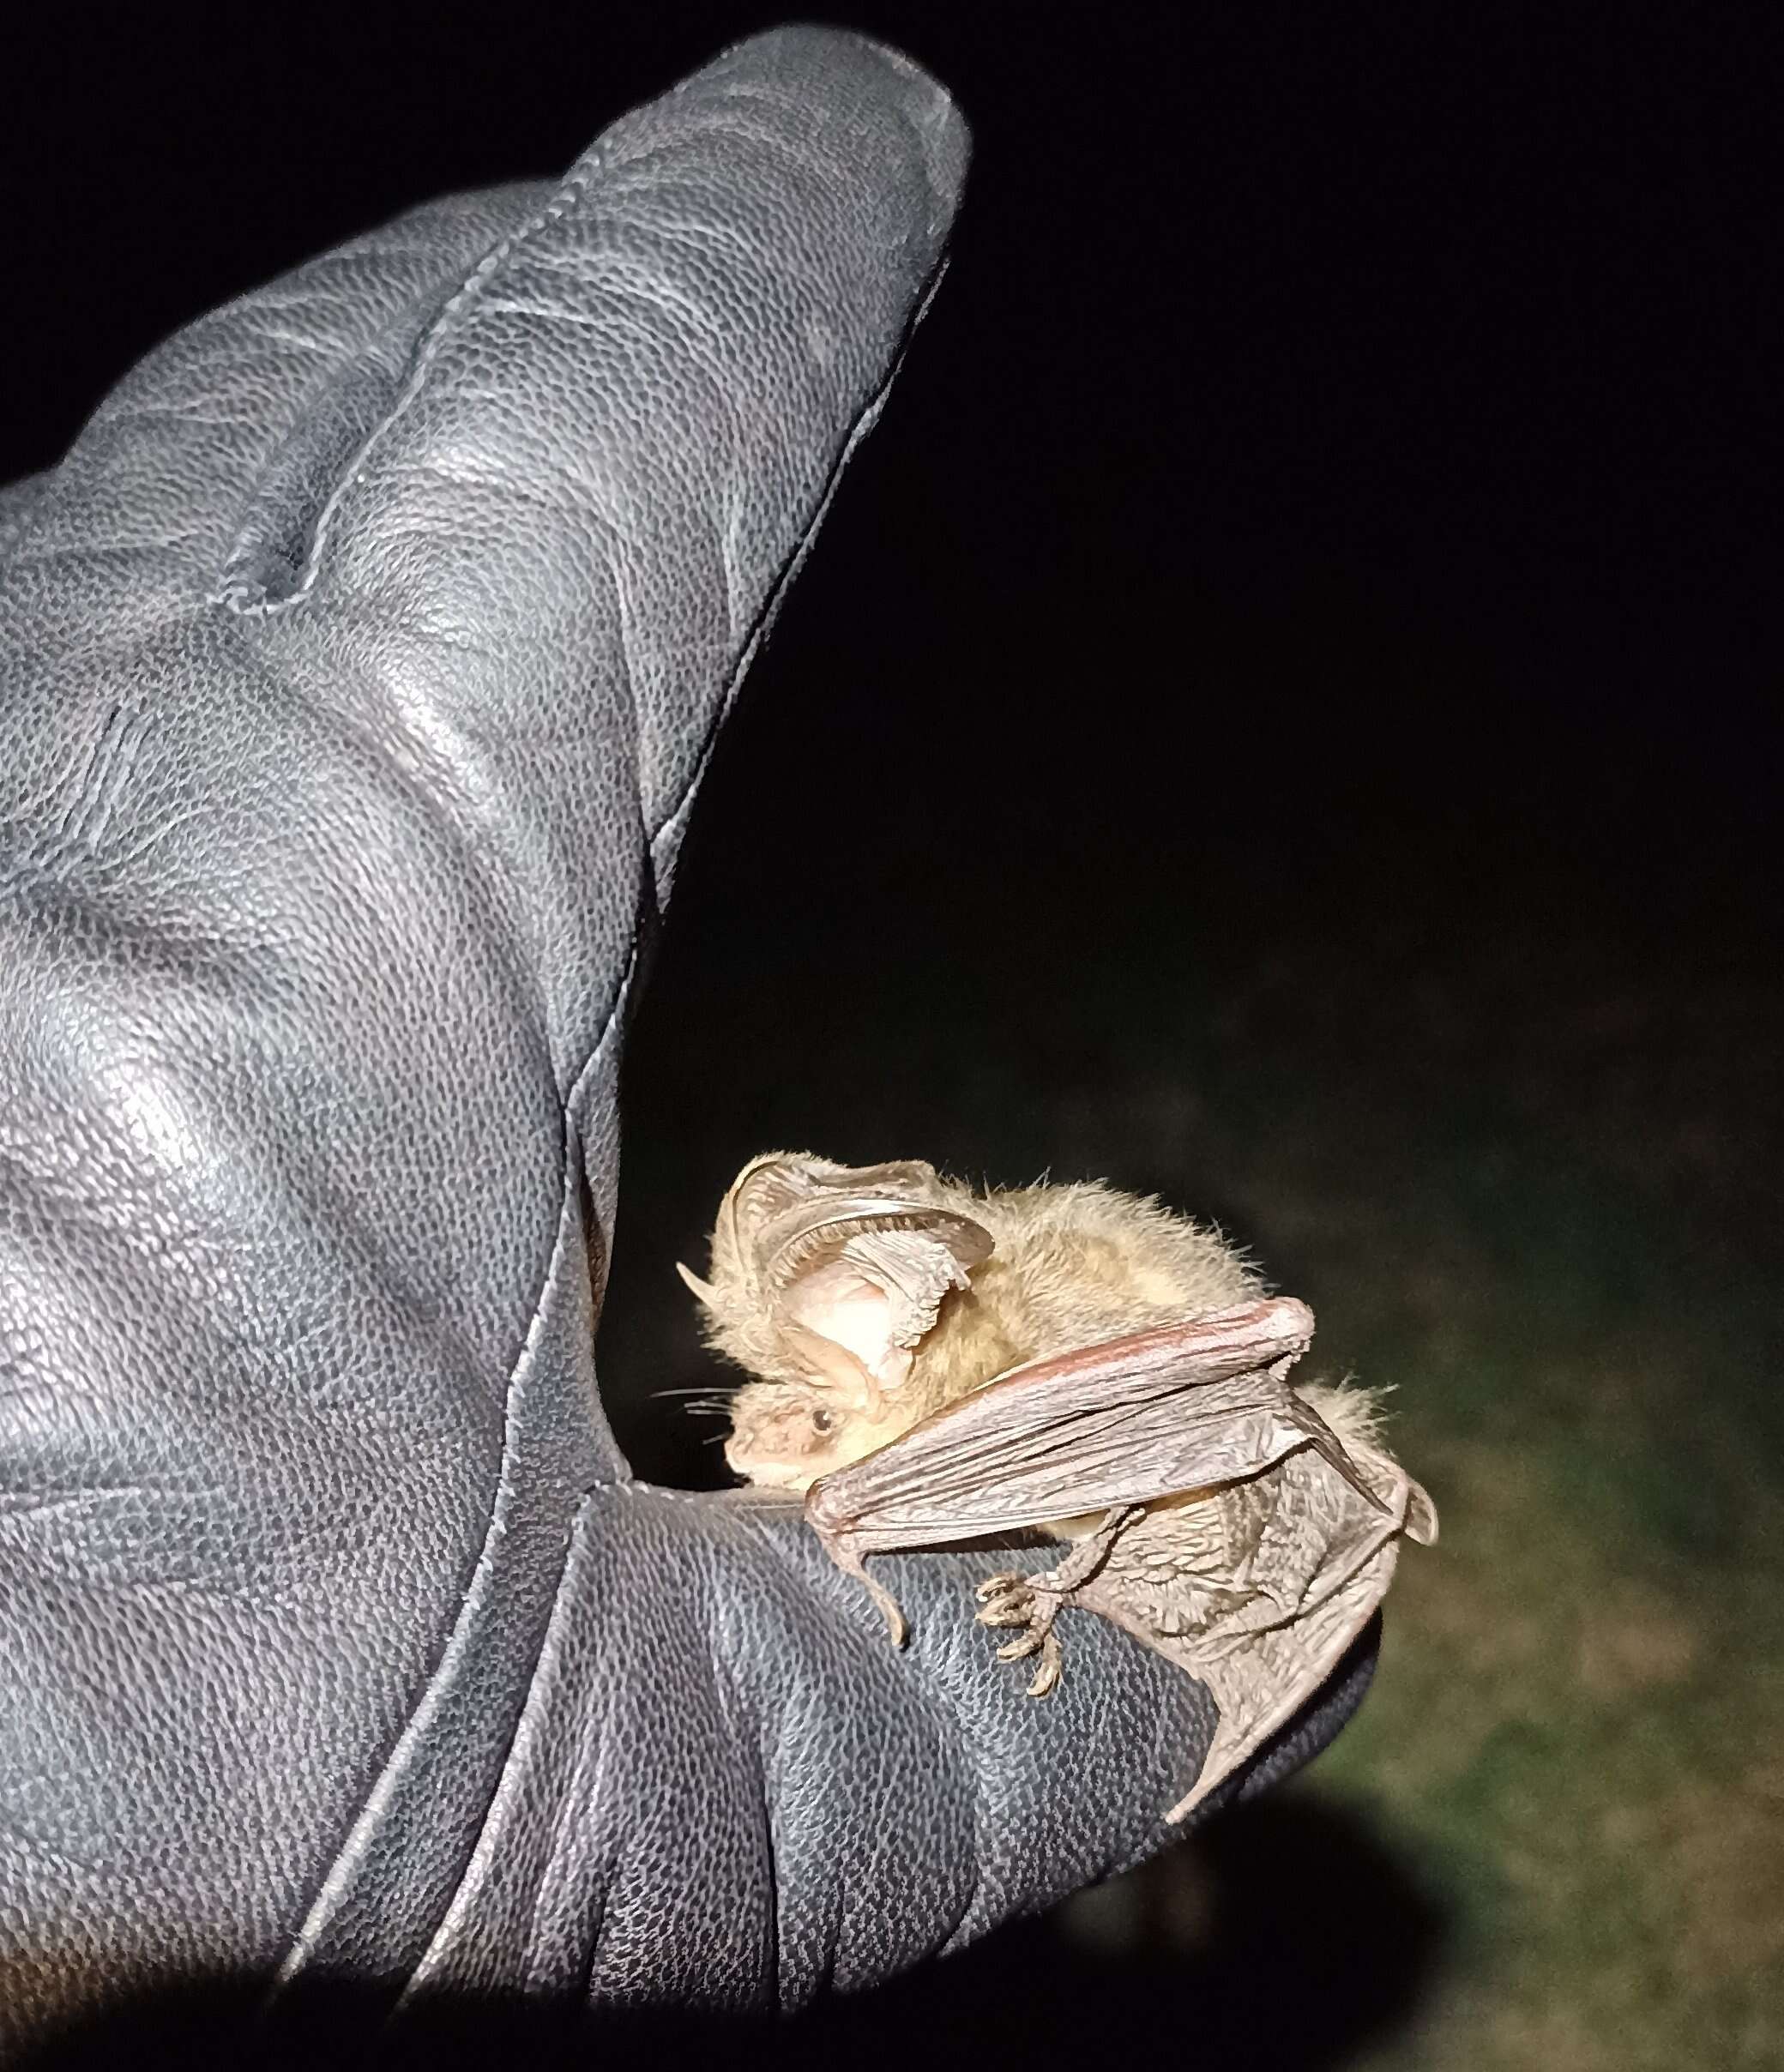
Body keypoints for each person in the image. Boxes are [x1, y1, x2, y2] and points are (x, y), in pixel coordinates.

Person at [0, 27, 1371, 2052]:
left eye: (791, 1412)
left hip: (1086, 1396)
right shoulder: (897, 1347)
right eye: (767, 1409)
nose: (745, 1428)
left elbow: (1037, 1405)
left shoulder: (957, 1384)